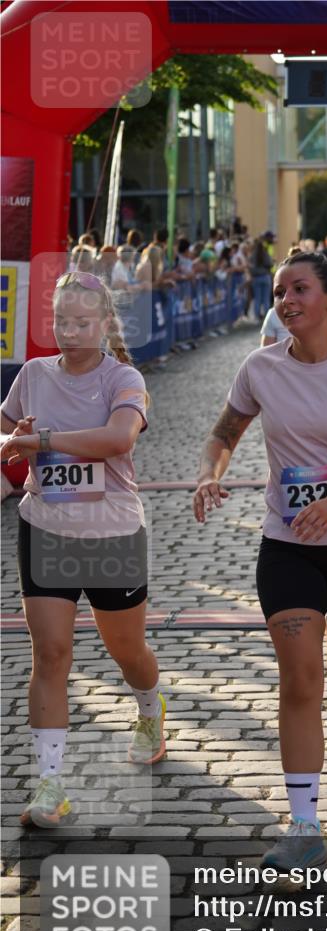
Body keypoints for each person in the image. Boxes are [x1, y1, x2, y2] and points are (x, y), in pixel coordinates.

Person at [193, 251, 327, 870]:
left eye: (301, 289)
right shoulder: (259, 367)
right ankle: (304, 821)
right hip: (287, 548)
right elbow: (223, 433)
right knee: (300, 679)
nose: (287, 300)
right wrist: (209, 473)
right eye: (280, 290)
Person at [0, 271, 166, 828]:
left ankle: (149, 708)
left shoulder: (124, 379)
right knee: (50, 655)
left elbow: (119, 439)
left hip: (111, 533)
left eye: (80, 323)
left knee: (127, 651)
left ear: (104, 324)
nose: (68, 333)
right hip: (45, 526)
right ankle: (50, 786)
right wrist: (11, 441)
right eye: (59, 322)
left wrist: (42, 440)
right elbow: (2, 436)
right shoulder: (33, 374)